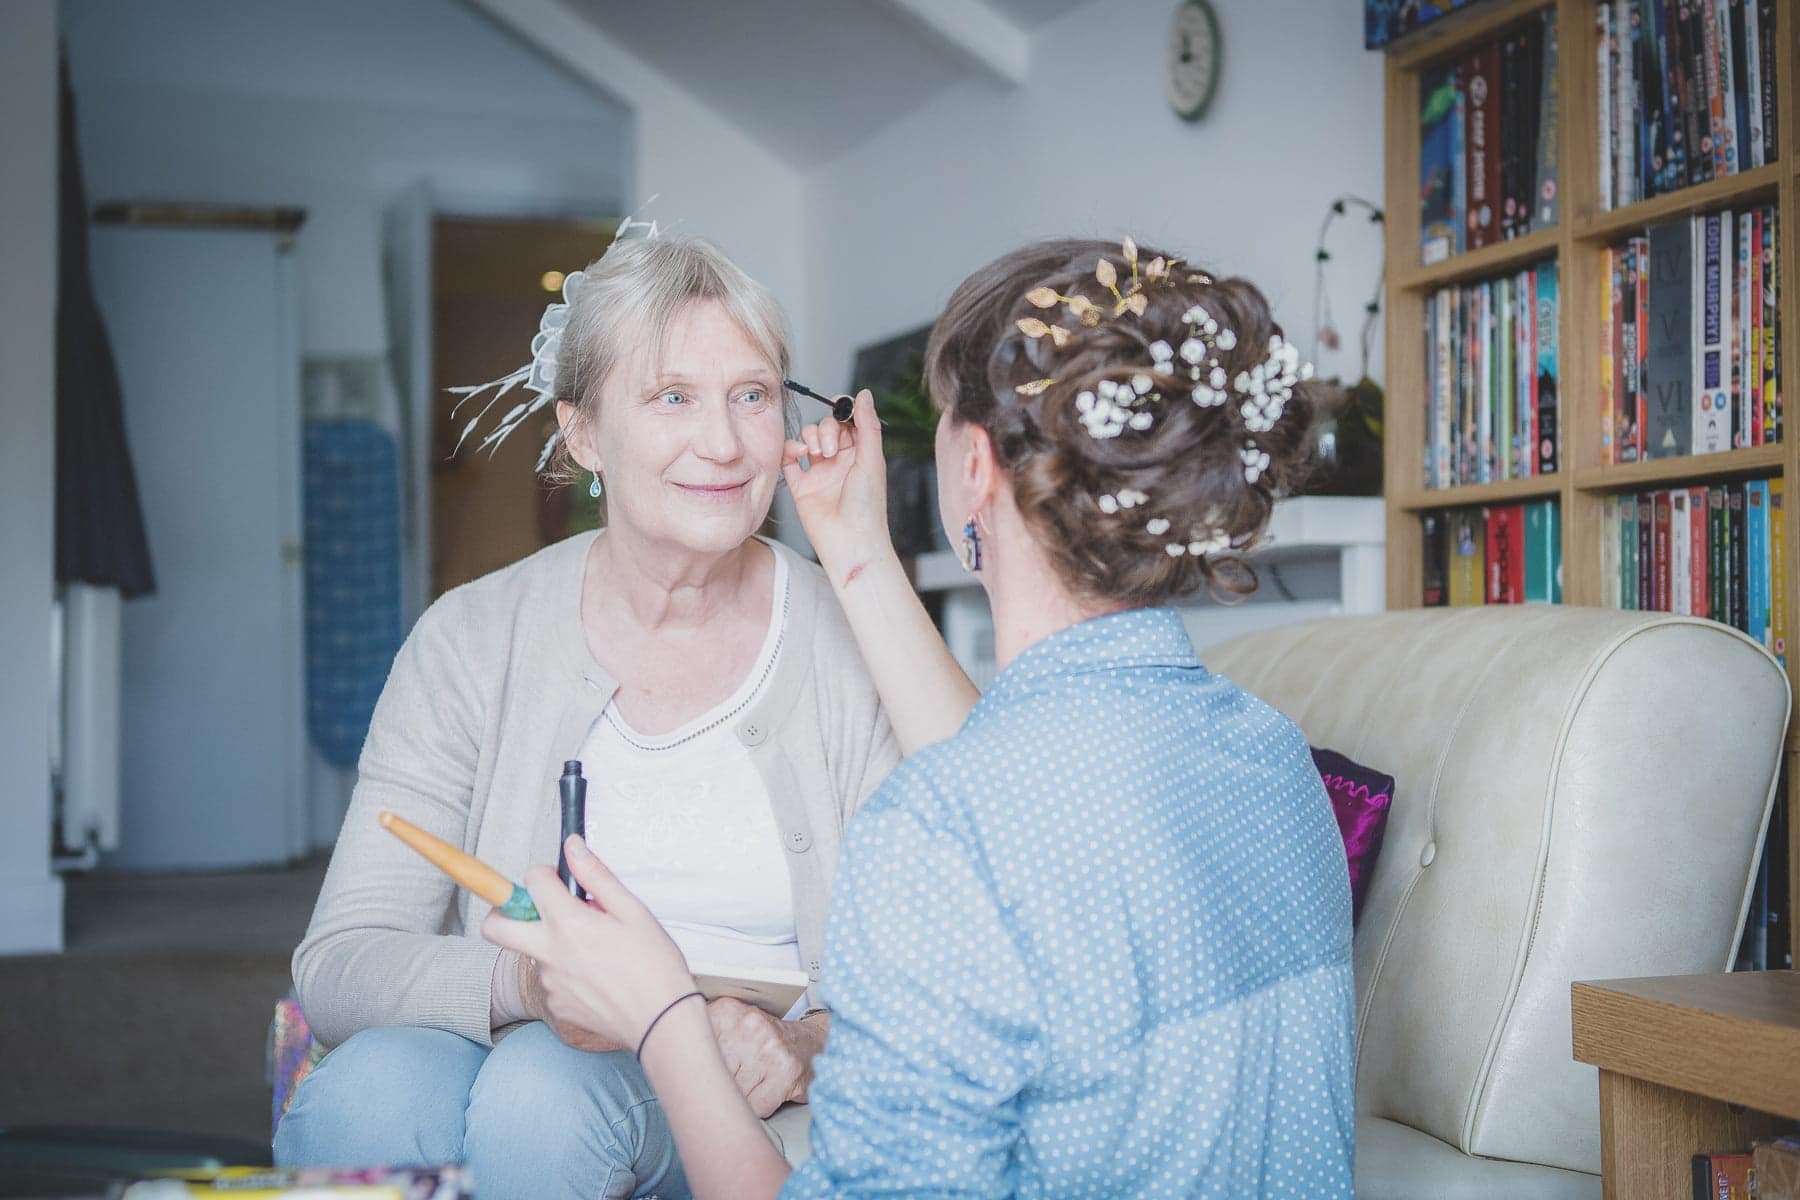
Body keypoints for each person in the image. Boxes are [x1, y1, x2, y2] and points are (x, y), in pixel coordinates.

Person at [485, 238, 1358, 1197]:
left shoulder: (941, 828)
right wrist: (856, 549)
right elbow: (1021, 813)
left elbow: (990, 822)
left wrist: (661, 1014)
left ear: (973, 463)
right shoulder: (1273, 758)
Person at [275, 235, 904, 1198]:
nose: (726, 443)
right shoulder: (471, 638)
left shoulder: (850, 636)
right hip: (521, 1030)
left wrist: (807, 1043)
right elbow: (341, 966)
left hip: (741, 1080)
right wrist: (527, 988)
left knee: (543, 1093)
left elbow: (943, 960)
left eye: (752, 393)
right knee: (363, 1098)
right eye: (672, 397)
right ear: (581, 433)